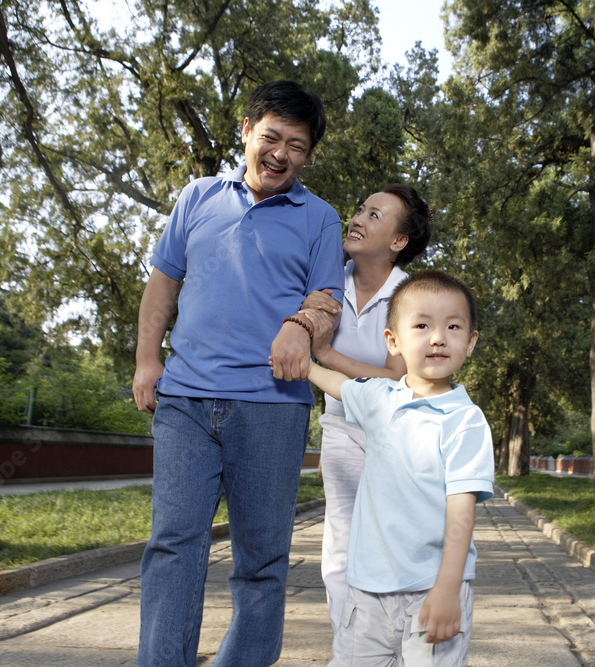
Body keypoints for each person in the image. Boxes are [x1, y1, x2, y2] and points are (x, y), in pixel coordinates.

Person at [131, 80, 345, 667]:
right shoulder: (196, 197)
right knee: (173, 545)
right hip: (186, 401)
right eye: (271, 137)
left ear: (308, 155)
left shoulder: (320, 218)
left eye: (297, 146)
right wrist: (147, 359)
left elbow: (328, 302)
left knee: (262, 558)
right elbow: (162, 284)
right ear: (246, 132)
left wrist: (300, 325)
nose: (280, 153)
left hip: (273, 407)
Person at [305, 270, 494, 665]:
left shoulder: (466, 421)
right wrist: (301, 361)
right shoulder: (380, 398)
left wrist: (447, 587)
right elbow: (334, 383)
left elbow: (462, 512)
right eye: (422, 325)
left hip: (432, 590)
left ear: (471, 342)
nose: (438, 337)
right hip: (366, 591)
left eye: (453, 326)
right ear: (393, 340)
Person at [298, 183, 432, 631]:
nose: (357, 219)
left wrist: (328, 356)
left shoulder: (411, 298)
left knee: (391, 548)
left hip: (395, 436)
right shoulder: (327, 281)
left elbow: (399, 378)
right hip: (339, 428)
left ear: (398, 242)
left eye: (375, 216)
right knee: (338, 554)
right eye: (360, 210)